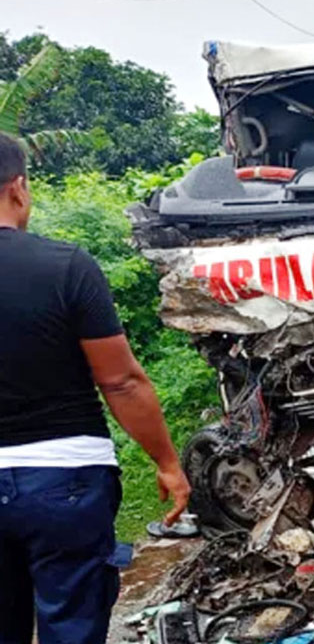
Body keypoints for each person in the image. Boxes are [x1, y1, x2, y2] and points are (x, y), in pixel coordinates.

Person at [0, 132, 191, 643]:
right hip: (66, 479)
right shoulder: (65, 266)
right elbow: (121, 380)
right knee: (74, 627)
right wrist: (168, 464)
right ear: (19, 188)